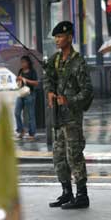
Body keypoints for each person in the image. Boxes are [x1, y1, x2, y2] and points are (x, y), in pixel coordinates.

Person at [44, 21, 93, 209]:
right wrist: (49, 91)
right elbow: (47, 77)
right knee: (59, 157)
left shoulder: (78, 62)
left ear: (70, 37)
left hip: (72, 118)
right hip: (58, 117)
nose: (57, 40)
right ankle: (66, 192)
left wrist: (69, 100)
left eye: (60, 37)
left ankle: (82, 195)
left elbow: (87, 91)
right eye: (55, 37)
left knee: (74, 156)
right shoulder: (55, 60)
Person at [15, 56, 38, 140]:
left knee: (30, 114)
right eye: (21, 62)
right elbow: (18, 82)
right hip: (21, 94)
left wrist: (25, 79)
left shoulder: (32, 71)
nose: (23, 64)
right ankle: (21, 130)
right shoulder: (20, 71)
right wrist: (18, 79)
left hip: (30, 94)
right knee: (17, 112)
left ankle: (32, 133)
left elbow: (36, 83)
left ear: (28, 63)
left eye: (24, 62)